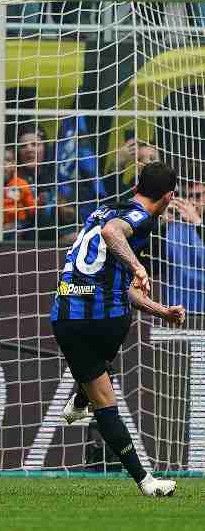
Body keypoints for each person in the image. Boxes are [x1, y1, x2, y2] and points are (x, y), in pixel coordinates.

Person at [50, 162, 184, 497]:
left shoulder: (101, 210)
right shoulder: (139, 219)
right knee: (106, 402)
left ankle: (81, 399)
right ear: (169, 196)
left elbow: (113, 281)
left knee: (112, 319)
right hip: (92, 320)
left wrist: (161, 311)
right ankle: (146, 482)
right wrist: (138, 265)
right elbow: (112, 233)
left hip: (68, 307)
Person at [159, 176, 205, 313]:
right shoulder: (173, 227)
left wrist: (198, 223)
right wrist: (161, 225)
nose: (190, 202)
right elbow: (153, 264)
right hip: (177, 308)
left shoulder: (197, 225)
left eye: (197, 196)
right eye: (186, 196)